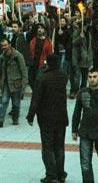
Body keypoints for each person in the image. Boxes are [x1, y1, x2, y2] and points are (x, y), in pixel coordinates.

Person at [26, 54, 68, 183]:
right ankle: (61, 174)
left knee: (48, 147)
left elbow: (36, 99)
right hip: (61, 117)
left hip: (46, 118)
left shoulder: (43, 78)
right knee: (59, 146)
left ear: (47, 63)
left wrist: (30, 115)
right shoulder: (63, 76)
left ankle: (51, 174)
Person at [0, 37, 28, 127]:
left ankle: (15, 118)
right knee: (4, 101)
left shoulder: (18, 56)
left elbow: (24, 71)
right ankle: (0, 119)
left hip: (17, 84)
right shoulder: (2, 57)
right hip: (6, 84)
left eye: (5, 45)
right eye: (2, 46)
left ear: (9, 45)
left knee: (16, 103)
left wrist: (23, 86)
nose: (4, 47)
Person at [28, 23, 53, 92]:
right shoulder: (33, 40)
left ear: (44, 30)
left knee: (38, 80)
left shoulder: (48, 41)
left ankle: (38, 93)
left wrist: (47, 63)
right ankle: (36, 92)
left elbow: (50, 54)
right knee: (30, 79)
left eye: (42, 28)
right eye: (38, 28)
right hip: (33, 63)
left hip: (42, 64)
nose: (40, 30)